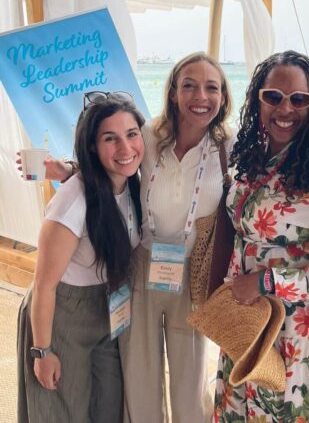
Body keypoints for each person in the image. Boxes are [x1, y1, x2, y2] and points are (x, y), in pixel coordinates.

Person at [41, 53, 234, 422]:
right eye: (189, 85)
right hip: (142, 264)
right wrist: (69, 168)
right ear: (173, 92)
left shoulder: (231, 145)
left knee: (190, 380)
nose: (201, 96)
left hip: (196, 270)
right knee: (138, 374)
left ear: (223, 97)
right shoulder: (149, 135)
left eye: (212, 87)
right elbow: (115, 158)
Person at [214, 51, 309, 422]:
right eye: (273, 97)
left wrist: (265, 282)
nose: (285, 109)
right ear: (257, 100)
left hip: (302, 333)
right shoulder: (249, 159)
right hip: (248, 322)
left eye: (299, 99)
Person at [17, 92, 145, 423]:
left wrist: (67, 169)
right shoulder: (73, 202)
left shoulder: (135, 184)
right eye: (110, 138)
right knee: (64, 408)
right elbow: (44, 286)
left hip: (108, 310)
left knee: (109, 404)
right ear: (92, 146)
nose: (125, 148)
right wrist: (42, 352)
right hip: (62, 313)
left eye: (131, 134)